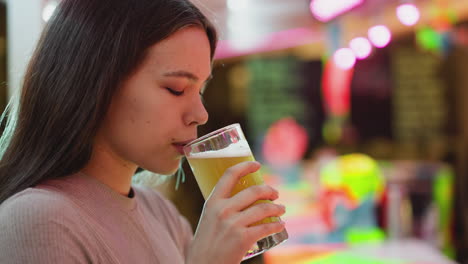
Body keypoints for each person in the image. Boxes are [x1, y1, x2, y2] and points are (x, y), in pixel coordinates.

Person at [0, 0, 286, 263]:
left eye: (200, 90)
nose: (201, 114)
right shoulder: (37, 220)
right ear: (98, 83)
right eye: (176, 89)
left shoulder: (160, 213)